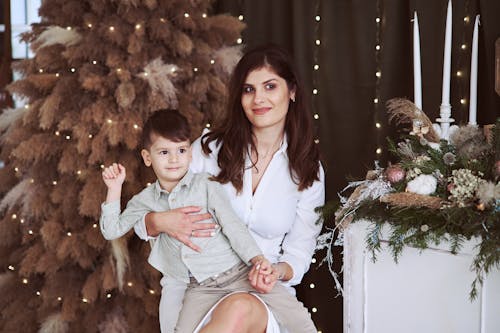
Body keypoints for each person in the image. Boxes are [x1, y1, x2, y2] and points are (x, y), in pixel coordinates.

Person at [135, 44, 325, 332]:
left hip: (263, 294)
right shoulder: (209, 150)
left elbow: (299, 251)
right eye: (248, 90)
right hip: (196, 289)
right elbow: (152, 215)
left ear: (292, 91)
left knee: (239, 307)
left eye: (270, 86)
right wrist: (158, 221)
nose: (258, 98)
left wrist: (277, 271)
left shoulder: (308, 169)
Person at [100, 109, 317, 333]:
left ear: (190, 154)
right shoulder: (145, 201)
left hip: (238, 273)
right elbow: (111, 230)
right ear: (147, 157)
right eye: (164, 152)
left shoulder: (205, 184)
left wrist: (258, 260)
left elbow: (233, 226)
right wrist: (115, 190)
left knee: (298, 318)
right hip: (200, 286)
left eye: (181, 150)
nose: (174, 159)